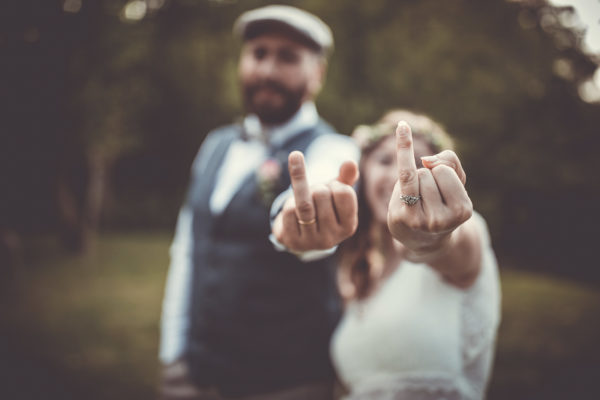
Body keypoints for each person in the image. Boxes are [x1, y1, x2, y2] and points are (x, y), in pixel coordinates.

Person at [159, 5, 359, 400]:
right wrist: (173, 355)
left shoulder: (334, 149)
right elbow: (187, 250)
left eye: (287, 57)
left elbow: (315, 191)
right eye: (258, 54)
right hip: (193, 374)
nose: (267, 70)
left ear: (317, 75)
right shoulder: (214, 145)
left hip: (289, 382)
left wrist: (298, 227)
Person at [330, 110, 501, 400]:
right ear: (365, 170)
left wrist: (430, 240)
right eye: (385, 160)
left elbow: (448, 244)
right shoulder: (358, 273)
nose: (401, 175)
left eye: (415, 163)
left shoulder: (465, 233)